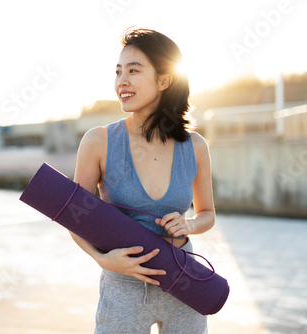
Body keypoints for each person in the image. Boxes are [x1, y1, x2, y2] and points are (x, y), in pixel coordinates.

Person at [70, 27, 215, 334]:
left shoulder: (196, 147)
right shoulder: (99, 141)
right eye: (118, 72)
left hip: (184, 280)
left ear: (164, 79)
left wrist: (188, 224)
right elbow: (74, 217)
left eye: (133, 71)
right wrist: (103, 260)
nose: (121, 81)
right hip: (123, 286)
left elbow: (207, 214)